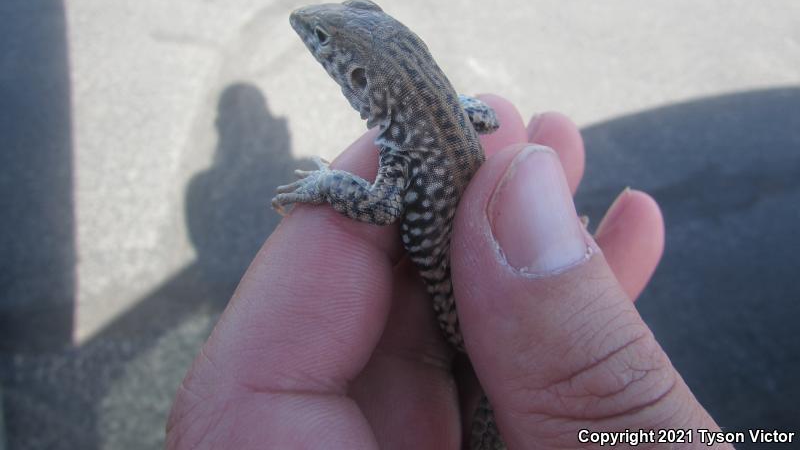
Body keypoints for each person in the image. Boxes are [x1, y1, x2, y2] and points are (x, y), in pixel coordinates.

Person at [166, 95, 732, 448]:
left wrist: (322, 184)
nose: (319, 48)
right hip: (477, 324)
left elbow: (380, 207)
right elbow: (485, 114)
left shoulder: (403, 139)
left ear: (358, 79)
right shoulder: (443, 120)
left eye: (326, 47)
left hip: (481, 331)